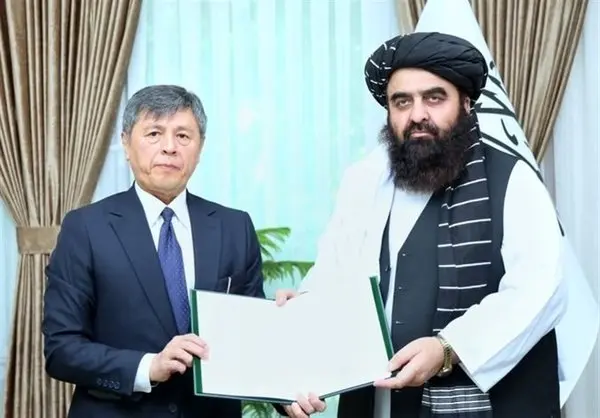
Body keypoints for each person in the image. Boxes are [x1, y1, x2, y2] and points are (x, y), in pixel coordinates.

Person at [274, 32, 566, 418]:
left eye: (434, 98)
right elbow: (332, 274)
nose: (417, 115)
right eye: (402, 102)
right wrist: (305, 313)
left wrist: (449, 348)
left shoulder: (513, 179)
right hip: (374, 402)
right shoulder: (363, 181)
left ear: (466, 103)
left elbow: (539, 291)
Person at [42, 85, 266, 417]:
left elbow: (251, 338)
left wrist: (288, 391)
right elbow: (61, 349)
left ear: (200, 147)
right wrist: (149, 367)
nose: (169, 147)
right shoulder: (86, 228)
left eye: (183, 136)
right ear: (125, 143)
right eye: (154, 133)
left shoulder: (234, 227)